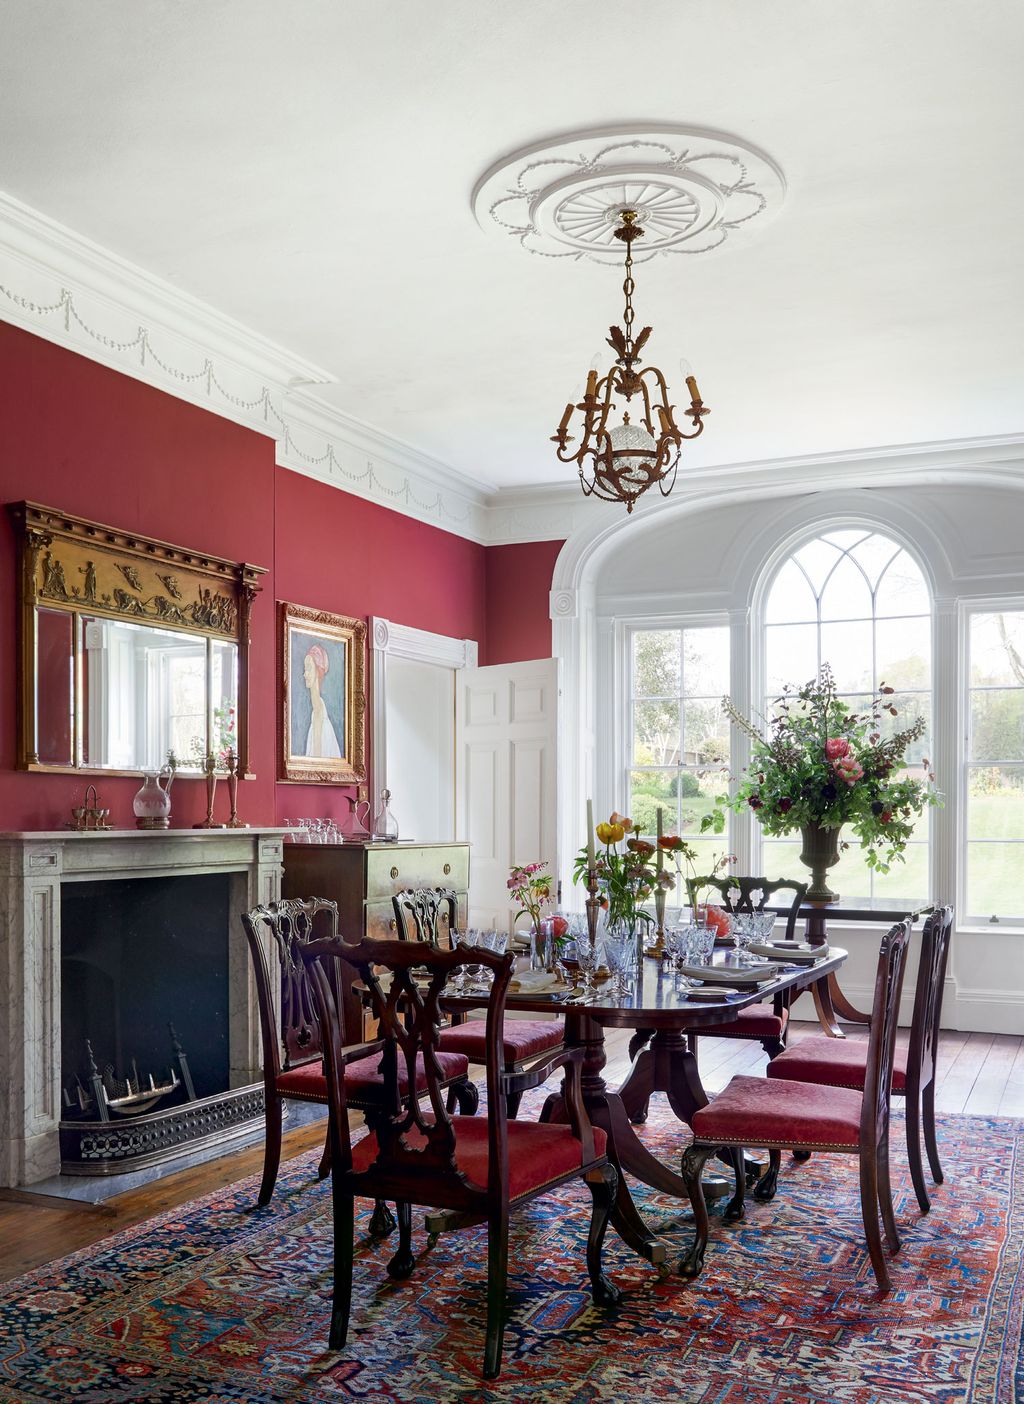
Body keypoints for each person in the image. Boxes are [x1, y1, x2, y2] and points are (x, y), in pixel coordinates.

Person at [302, 643, 342, 758]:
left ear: (318, 671)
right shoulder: (316, 709)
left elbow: (317, 758)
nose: (305, 674)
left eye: (308, 669)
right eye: (305, 669)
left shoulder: (319, 710)